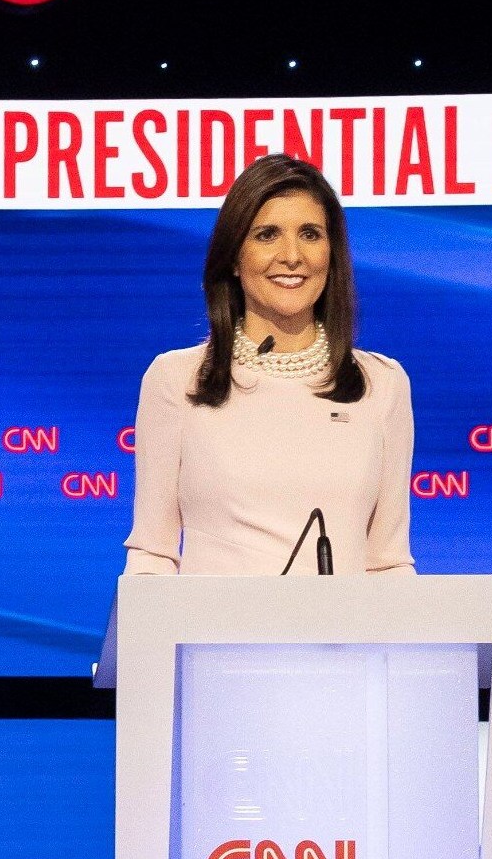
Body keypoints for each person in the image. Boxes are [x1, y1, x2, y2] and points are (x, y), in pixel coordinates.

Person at [122, 153, 414, 577]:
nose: (292, 255)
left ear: (332, 256)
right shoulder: (177, 379)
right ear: (235, 259)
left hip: (344, 642)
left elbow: (387, 563)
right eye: (267, 235)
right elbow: (152, 555)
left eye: (310, 234)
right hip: (212, 638)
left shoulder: (382, 384)